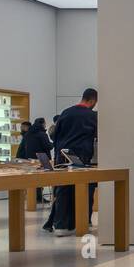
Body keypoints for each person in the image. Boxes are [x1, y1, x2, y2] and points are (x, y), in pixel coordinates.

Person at [46, 88, 99, 236]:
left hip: (61, 156)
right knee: (84, 190)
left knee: (63, 190)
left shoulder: (66, 112)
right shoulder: (91, 116)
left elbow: (54, 135)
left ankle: (61, 225)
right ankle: (83, 222)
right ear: (93, 100)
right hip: (82, 157)